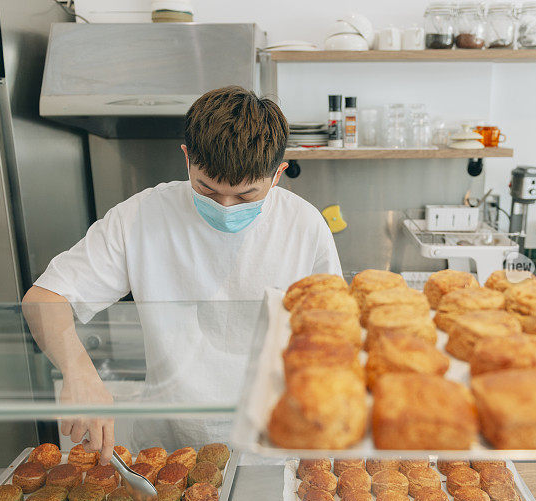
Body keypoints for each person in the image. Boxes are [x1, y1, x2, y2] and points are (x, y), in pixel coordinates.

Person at [23, 86, 341, 463]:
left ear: (277, 174)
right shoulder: (141, 216)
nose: (224, 206)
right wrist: (78, 373)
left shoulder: (304, 225)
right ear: (187, 158)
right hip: (169, 445)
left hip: (275, 442)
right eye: (206, 188)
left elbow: (335, 329)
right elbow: (45, 298)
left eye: (245, 196)